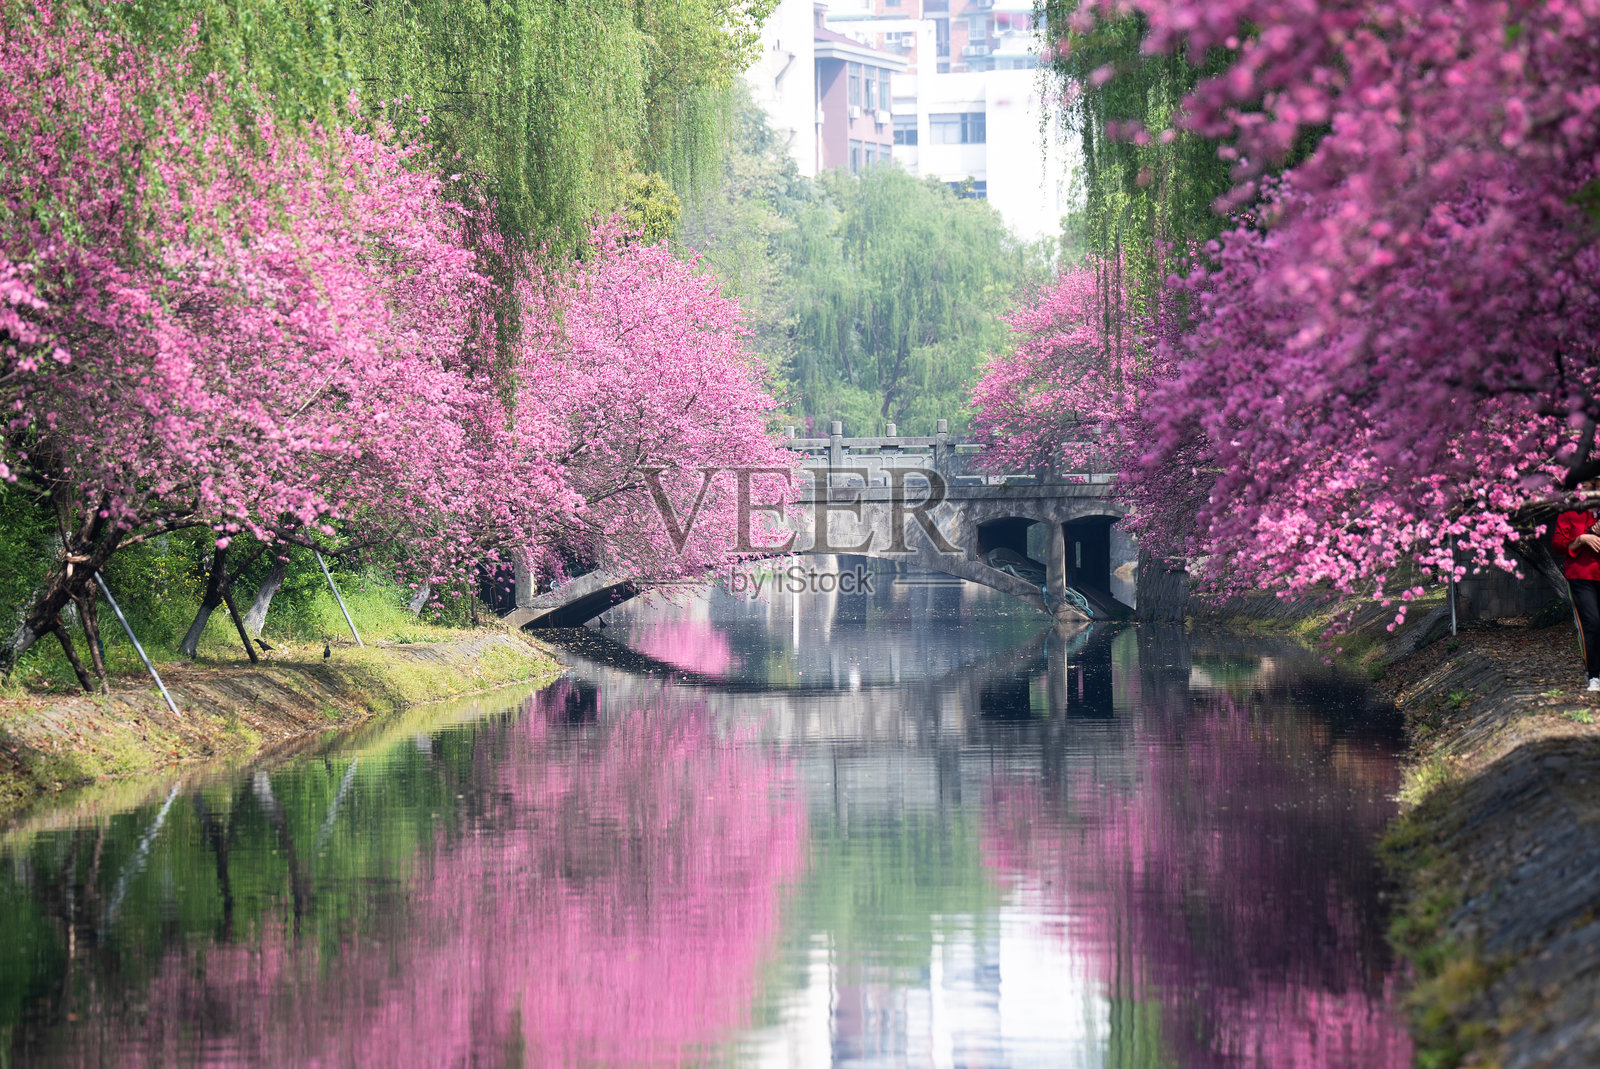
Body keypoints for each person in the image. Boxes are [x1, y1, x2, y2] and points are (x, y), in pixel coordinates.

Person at [1552, 507, 1600, 690]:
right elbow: (1557, 544)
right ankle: (1594, 674)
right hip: (1581, 576)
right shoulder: (1570, 512)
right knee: (1592, 623)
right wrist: (1582, 538)